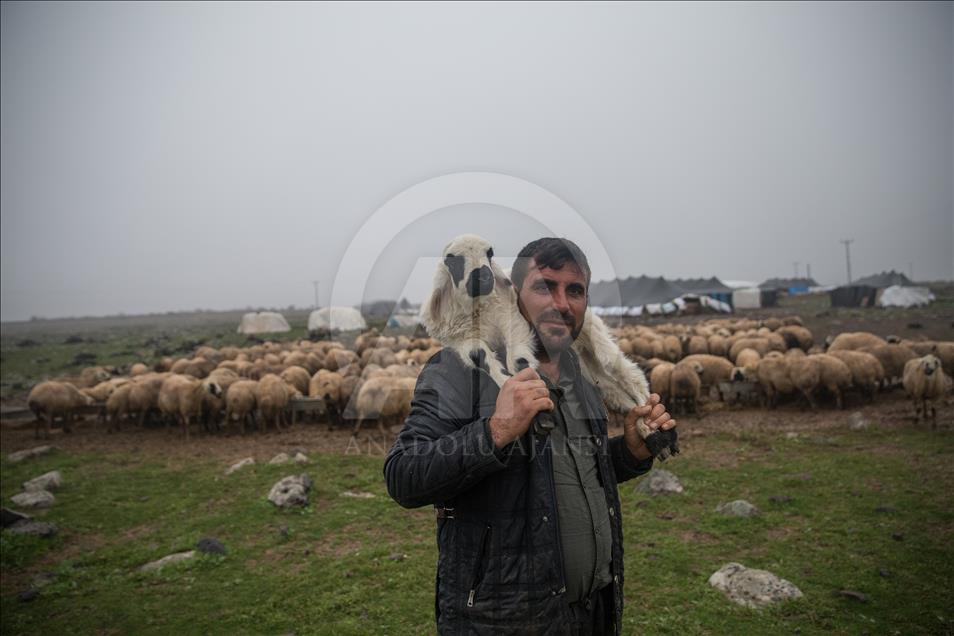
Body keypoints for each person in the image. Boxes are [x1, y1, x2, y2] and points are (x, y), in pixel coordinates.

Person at [384, 237, 677, 635]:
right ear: (512, 293)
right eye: (544, 286)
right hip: (503, 621)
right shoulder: (459, 369)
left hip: (591, 613)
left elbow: (568, 473)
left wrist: (628, 452)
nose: (561, 303)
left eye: (574, 290)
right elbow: (403, 474)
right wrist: (495, 431)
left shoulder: (578, 373)